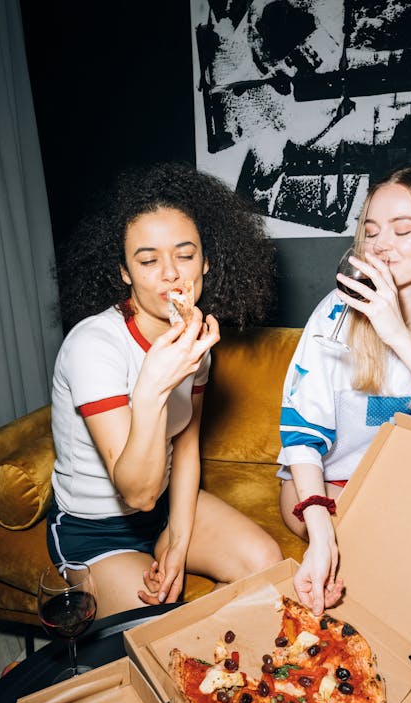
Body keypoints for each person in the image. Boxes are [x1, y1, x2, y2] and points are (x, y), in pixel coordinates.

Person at [277, 163, 411, 703]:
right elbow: (300, 434)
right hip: (325, 486)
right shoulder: (336, 313)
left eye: (401, 228)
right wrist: (320, 528)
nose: (381, 244)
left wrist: (399, 334)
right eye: (370, 230)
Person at [48, 162, 283, 619]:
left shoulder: (193, 340)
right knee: (165, 624)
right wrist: (154, 384)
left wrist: (177, 539)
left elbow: (187, 445)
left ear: (206, 262)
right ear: (124, 272)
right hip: (94, 529)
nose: (171, 274)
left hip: (160, 513)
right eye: (148, 260)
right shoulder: (93, 345)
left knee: (267, 565)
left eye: (185, 254)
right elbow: (136, 492)